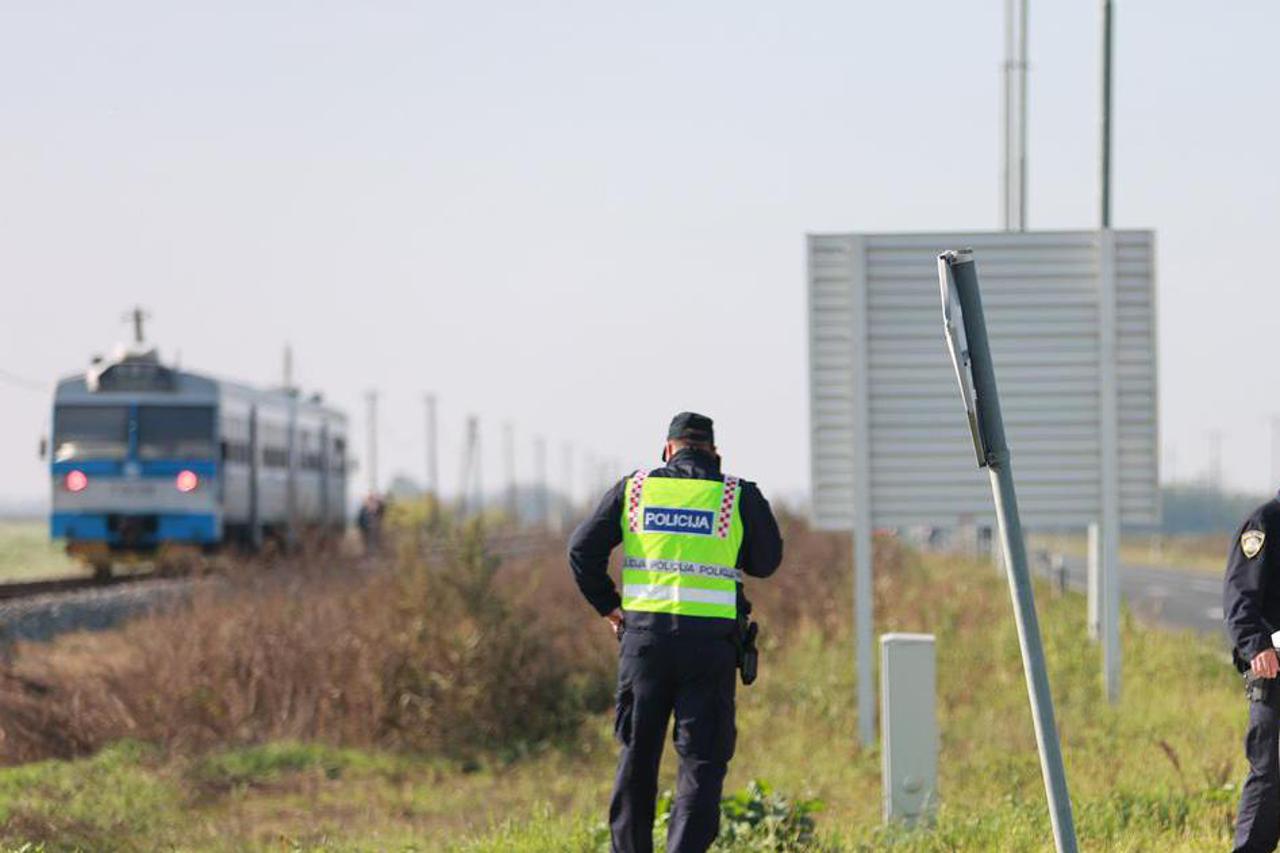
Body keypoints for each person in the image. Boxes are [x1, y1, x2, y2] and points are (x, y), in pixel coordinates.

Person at [568, 412, 783, 853]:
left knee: (636, 760)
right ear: (714, 453)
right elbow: (767, 562)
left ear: (668, 449)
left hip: (643, 645)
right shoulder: (736, 495)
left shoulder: (636, 488)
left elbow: (581, 550)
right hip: (710, 649)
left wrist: (609, 606)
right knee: (701, 764)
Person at [1225, 493, 1280, 852]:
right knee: (1270, 774)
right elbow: (1240, 598)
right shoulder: (1266, 523)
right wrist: (1257, 645)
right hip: (1276, 671)